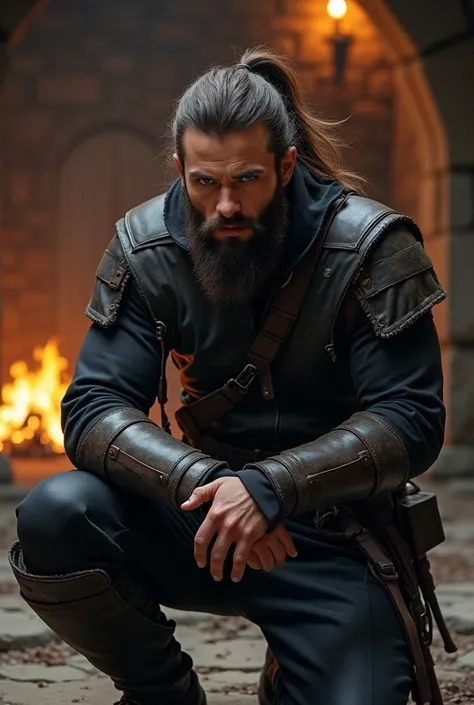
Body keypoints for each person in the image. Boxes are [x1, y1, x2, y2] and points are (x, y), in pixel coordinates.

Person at [9, 47, 447, 705]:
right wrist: (210, 481)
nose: (225, 206)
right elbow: (93, 405)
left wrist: (273, 487)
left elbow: (412, 419)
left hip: (334, 536)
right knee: (56, 514)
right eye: (204, 183)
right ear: (180, 168)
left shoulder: (373, 249)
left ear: (287, 164)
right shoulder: (146, 245)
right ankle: (162, 689)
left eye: (246, 179)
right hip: (203, 517)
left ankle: (293, 667)